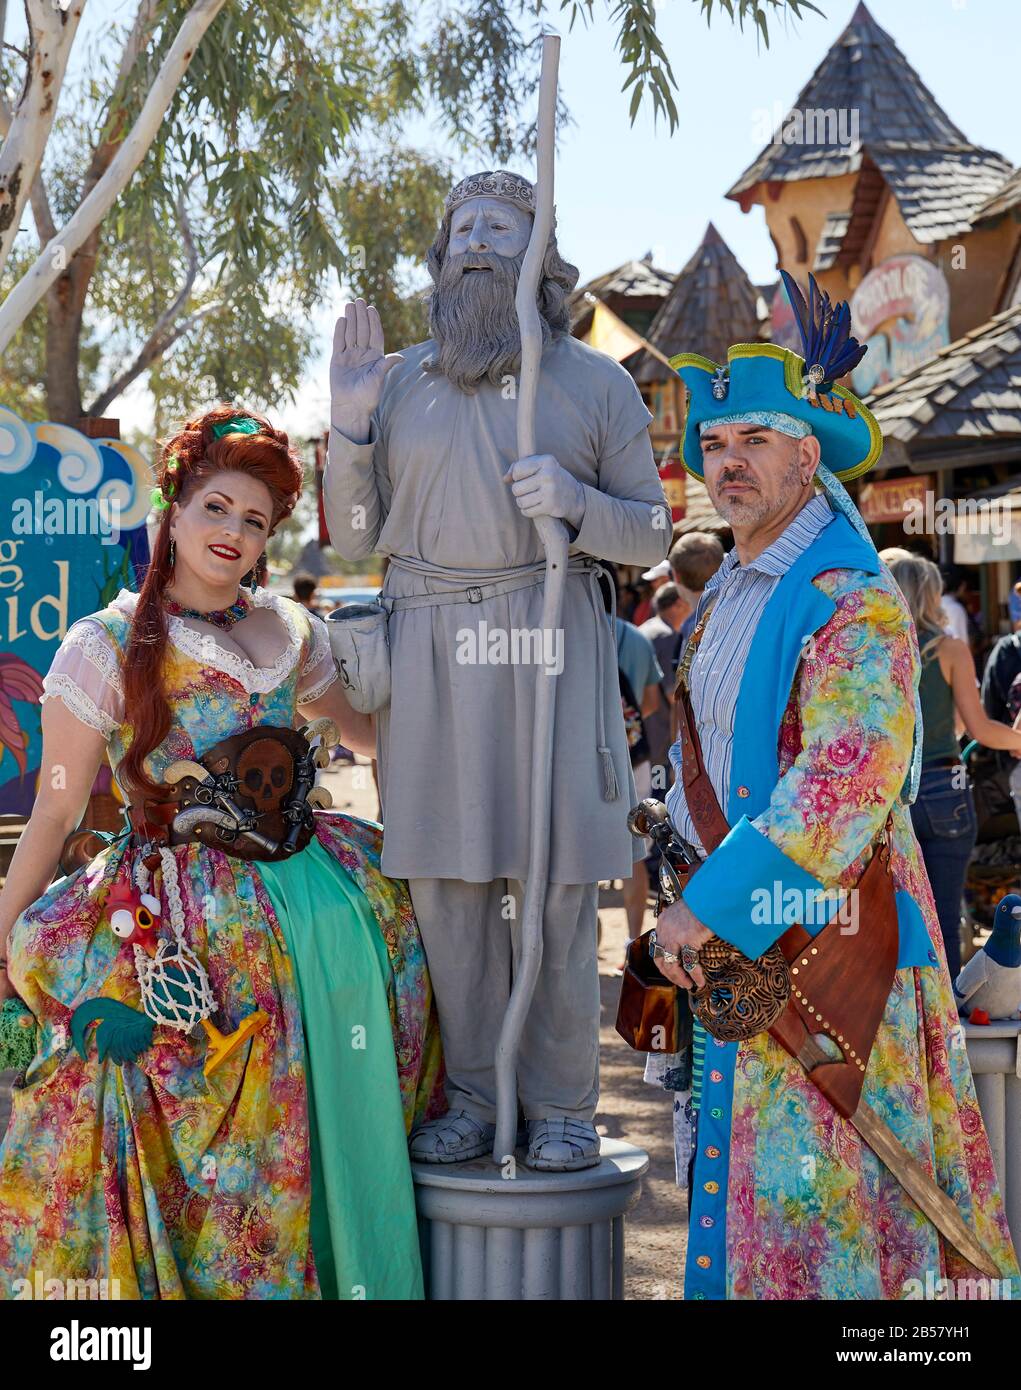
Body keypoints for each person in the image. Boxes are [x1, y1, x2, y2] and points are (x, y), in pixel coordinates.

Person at [0, 406, 442, 1300]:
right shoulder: (105, 644)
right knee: (221, 1144)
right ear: (174, 507)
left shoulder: (288, 633)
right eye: (217, 508)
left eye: (255, 520)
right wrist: (3, 932)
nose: (234, 533)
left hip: (323, 898)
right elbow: (53, 814)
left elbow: (367, 733)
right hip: (181, 913)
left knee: (355, 1089)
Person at [647, 273, 1018, 1299]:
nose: (728, 463)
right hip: (746, 934)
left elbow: (845, 781)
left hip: (830, 939)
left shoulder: (850, 600)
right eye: (714, 445)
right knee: (769, 1196)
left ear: (807, 458)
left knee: (825, 1205)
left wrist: (704, 908)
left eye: (754, 442)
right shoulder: (729, 583)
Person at [324, 168, 670, 1170]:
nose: (477, 240)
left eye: (501, 227)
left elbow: (649, 534)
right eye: (462, 226)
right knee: (448, 886)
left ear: (541, 258)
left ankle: (563, 1104)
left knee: (556, 882)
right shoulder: (397, 382)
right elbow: (351, 535)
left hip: (548, 642)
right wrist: (349, 427)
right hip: (429, 648)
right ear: (440, 256)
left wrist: (572, 500)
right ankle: (473, 1093)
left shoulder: (593, 381)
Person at [882, 549, 1021, 980]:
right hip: (944, 788)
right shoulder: (948, 650)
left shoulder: (869, 649)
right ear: (929, 594)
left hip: (882, 791)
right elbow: (977, 728)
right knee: (941, 913)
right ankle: (946, 1028)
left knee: (883, 913)